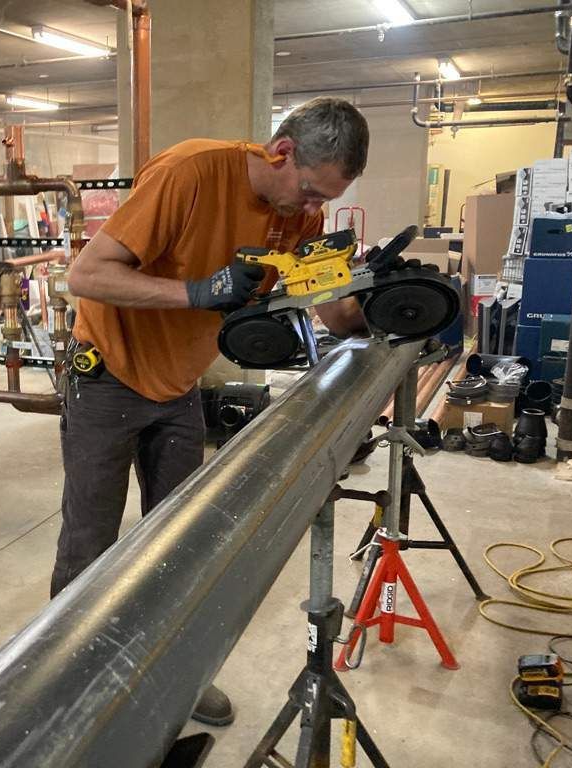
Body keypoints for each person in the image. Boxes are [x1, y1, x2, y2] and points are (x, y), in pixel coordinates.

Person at [51, 97, 370, 725]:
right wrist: (196, 293)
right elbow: (86, 276)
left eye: (324, 200)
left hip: (177, 388)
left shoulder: (299, 211)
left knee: (176, 545)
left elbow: (325, 301)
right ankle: (68, 690)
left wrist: (374, 303)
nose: (313, 210)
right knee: (91, 543)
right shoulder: (190, 173)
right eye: (309, 192)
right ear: (280, 152)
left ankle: (172, 675)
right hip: (109, 377)